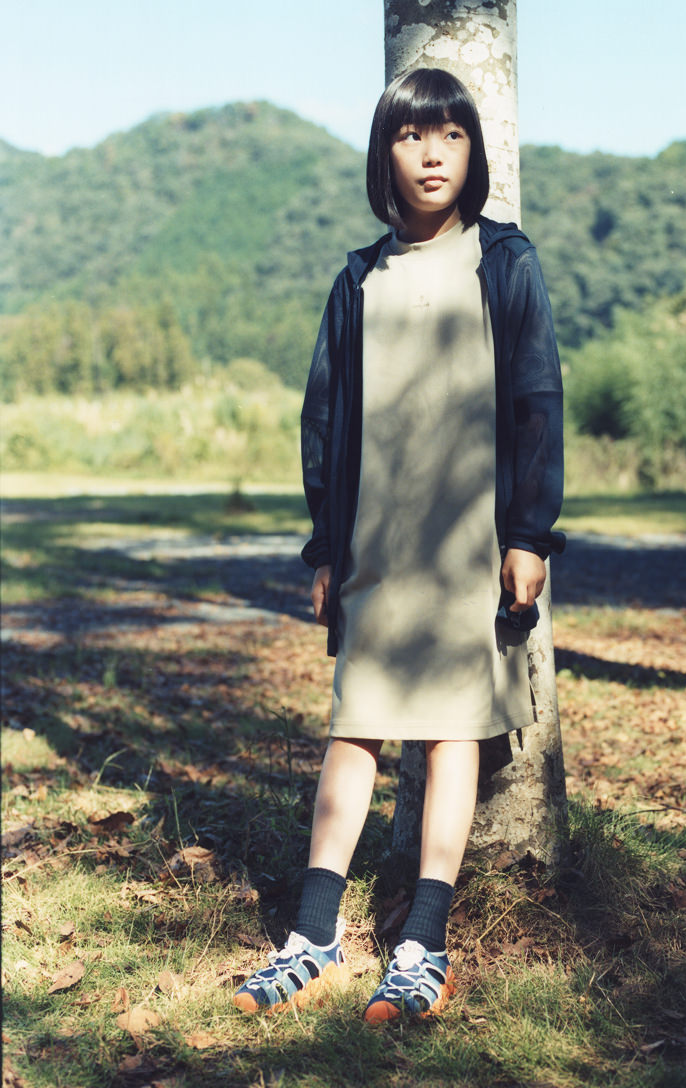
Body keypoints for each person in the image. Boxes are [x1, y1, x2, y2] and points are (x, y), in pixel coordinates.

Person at [233, 67, 563, 1024]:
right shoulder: (358, 278)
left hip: (469, 546)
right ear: (386, 155)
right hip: (374, 545)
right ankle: (313, 934)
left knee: (453, 730)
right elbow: (324, 417)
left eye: (451, 136)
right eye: (412, 136)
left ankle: (423, 942)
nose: (431, 154)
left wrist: (529, 534)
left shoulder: (503, 261)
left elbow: (537, 400)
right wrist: (324, 550)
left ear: (473, 152)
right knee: (356, 725)